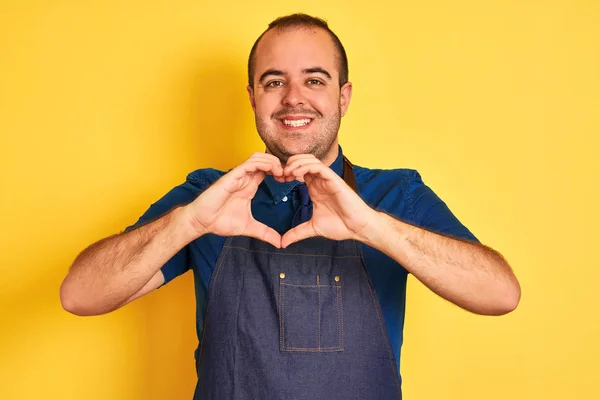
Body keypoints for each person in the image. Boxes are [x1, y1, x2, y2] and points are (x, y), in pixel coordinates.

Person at [60, 13, 521, 400]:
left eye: (314, 80)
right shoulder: (209, 196)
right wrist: (189, 223)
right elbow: (80, 295)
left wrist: (373, 227)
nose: (293, 98)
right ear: (253, 97)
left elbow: (500, 294)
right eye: (274, 81)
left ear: (343, 96)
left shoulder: (396, 195)